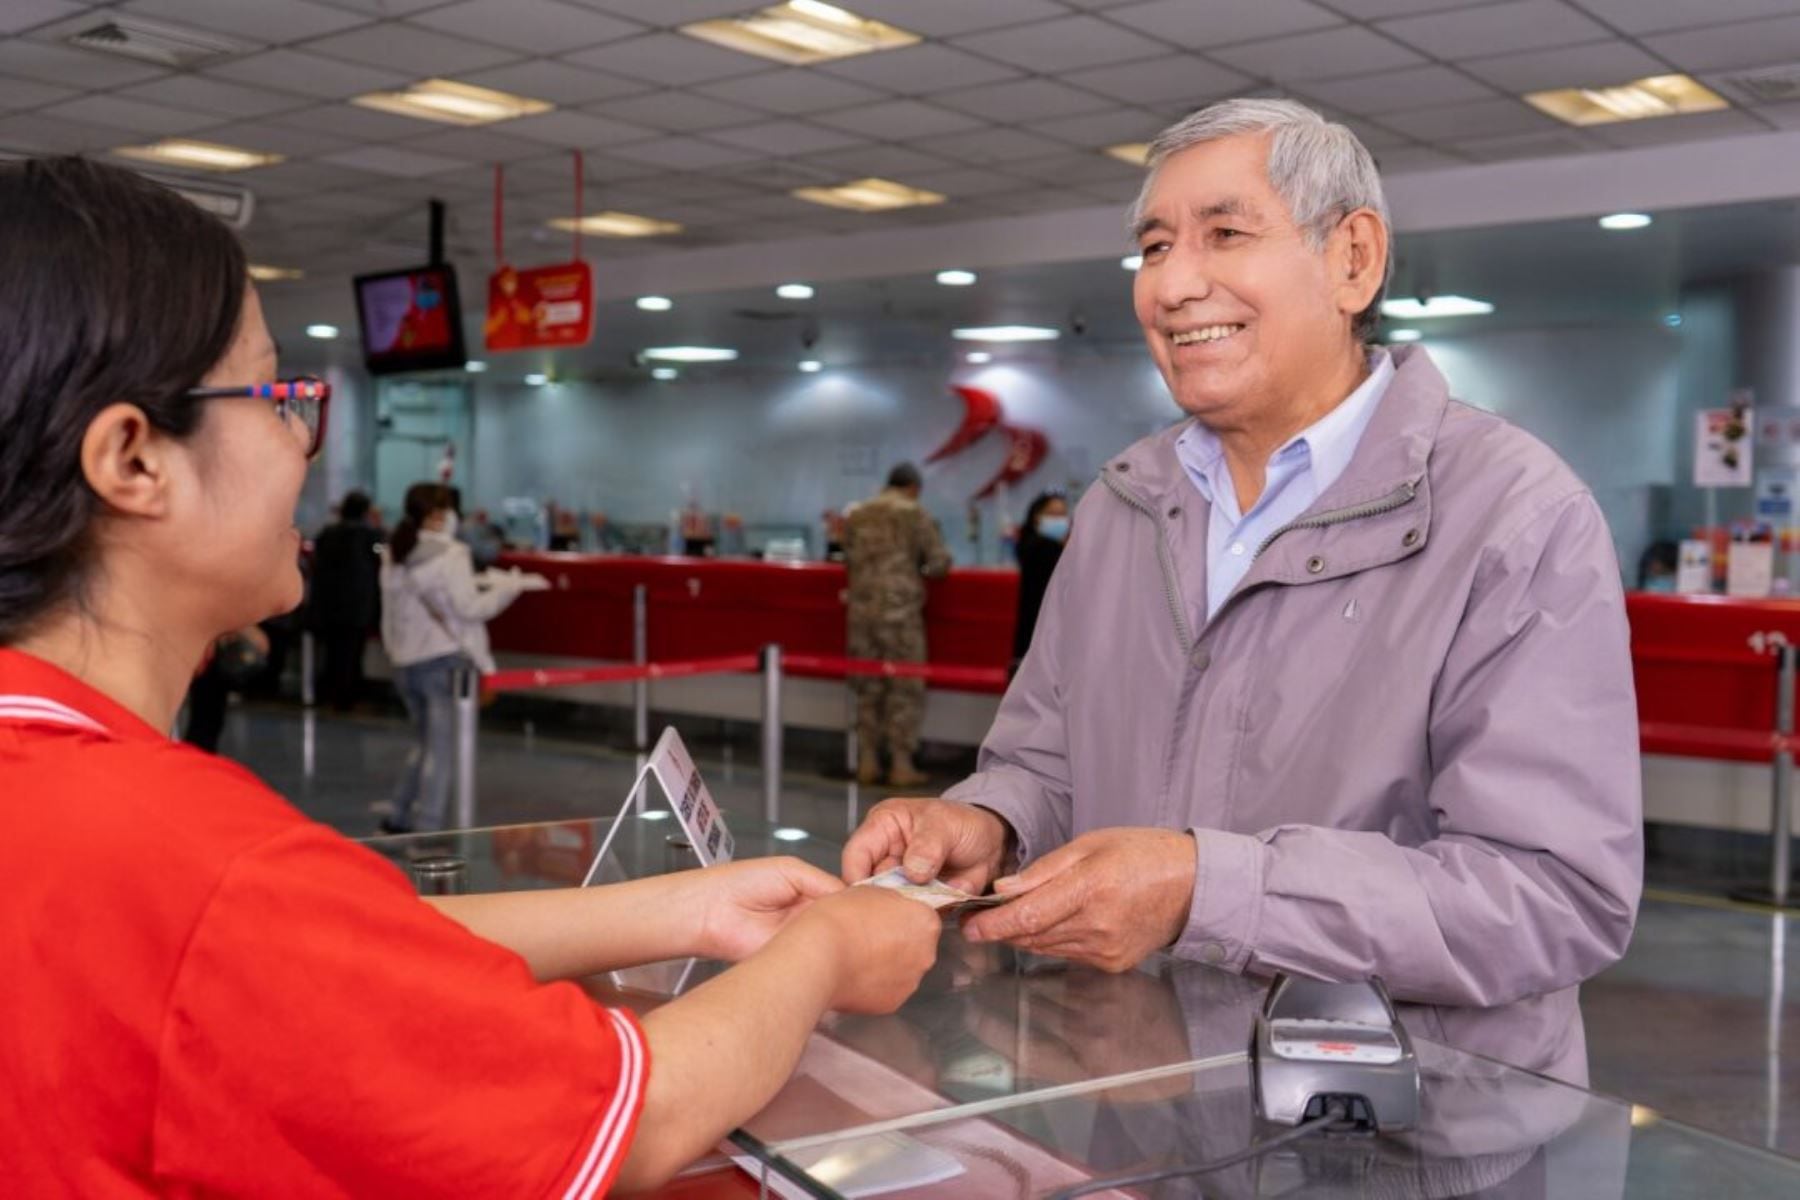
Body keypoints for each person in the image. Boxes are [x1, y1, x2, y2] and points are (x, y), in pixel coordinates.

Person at [0, 156, 943, 1197]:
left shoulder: (76, 798)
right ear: (132, 458)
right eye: (278, 394)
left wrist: (686, 909)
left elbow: (337, 949)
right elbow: (634, 1115)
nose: (304, 443)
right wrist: (820, 957)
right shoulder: (193, 859)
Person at [844, 99, 1642, 1083]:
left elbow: (1552, 896)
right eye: (1152, 246)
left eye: (1225, 234)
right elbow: (1048, 759)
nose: (1175, 284)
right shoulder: (1124, 508)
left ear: (1354, 260)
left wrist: (1203, 889)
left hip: (1404, 1133)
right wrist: (987, 821)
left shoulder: (1514, 517)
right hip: (1139, 1108)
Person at [379, 482, 546, 834]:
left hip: (403, 664)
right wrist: (508, 589)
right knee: (442, 752)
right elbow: (470, 608)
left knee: (424, 744)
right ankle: (429, 830)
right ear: (441, 514)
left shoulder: (395, 551)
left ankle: (398, 814)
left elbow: (389, 613)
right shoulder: (451, 553)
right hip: (442, 661)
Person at [842, 463, 953, 788]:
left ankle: (867, 760)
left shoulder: (857, 513)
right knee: (904, 687)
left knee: (866, 685)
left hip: (861, 613)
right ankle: (901, 764)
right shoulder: (914, 512)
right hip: (900, 614)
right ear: (914, 487)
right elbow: (939, 563)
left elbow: (847, 556)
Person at [307, 489, 381, 712]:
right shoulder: (370, 536)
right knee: (352, 654)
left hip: (329, 604)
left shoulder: (328, 533)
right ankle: (347, 697)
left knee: (332, 653)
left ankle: (328, 694)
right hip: (357, 606)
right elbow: (381, 560)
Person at [1010, 491, 1070, 670]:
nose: (1060, 520)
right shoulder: (1039, 547)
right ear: (1037, 517)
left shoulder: (1051, 546)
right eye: (1053, 514)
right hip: (1038, 629)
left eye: (1062, 514)